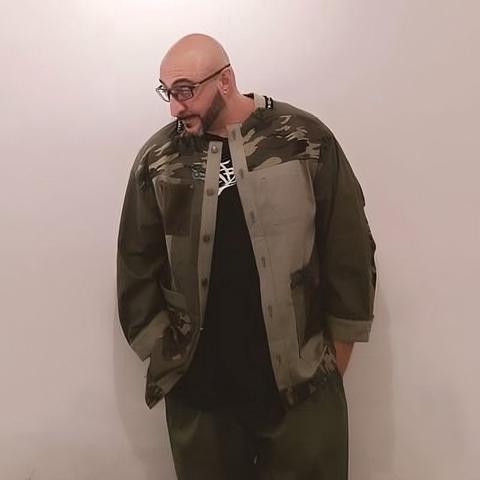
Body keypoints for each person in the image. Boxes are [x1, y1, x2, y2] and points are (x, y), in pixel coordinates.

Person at [117, 33, 376, 480]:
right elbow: (135, 261)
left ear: (225, 80)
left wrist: (335, 357)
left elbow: (348, 245)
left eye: (185, 90)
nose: (174, 107)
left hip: (300, 389)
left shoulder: (303, 139)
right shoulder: (159, 158)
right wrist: (167, 356)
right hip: (201, 394)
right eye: (167, 92)